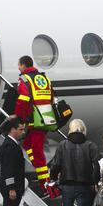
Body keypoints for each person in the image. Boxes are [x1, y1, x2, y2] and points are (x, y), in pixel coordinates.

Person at [50, 118, 100, 206]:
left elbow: (56, 165)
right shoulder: (90, 145)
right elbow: (97, 166)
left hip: (67, 184)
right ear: (83, 129)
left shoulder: (63, 145)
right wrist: (94, 181)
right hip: (84, 185)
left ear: (70, 129)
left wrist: (53, 178)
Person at [13, 55, 60, 198]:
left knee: (38, 153)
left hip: (35, 121)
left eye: (19, 65)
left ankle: (45, 184)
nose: (18, 68)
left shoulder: (25, 79)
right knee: (28, 145)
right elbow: (52, 97)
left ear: (23, 65)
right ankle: (40, 172)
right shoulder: (44, 78)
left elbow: (23, 99)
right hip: (46, 118)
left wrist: (17, 117)